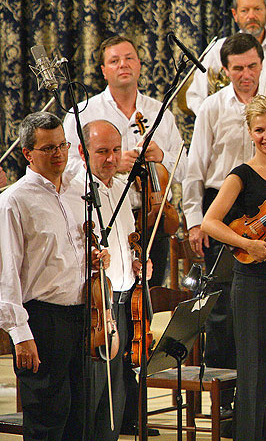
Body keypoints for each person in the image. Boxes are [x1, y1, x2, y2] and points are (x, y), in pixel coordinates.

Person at [183, 32, 266, 416]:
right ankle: (230, 408)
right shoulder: (212, 109)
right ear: (226, 70)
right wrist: (197, 224)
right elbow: (195, 171)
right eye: (238, 68)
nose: (246, 73)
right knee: (225, 322)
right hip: (230, 214)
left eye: (253, 66)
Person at [0, 112, 109, 440]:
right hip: (43, 320)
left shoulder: (82, 193)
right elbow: (6, 272)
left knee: (81, 416)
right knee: (49, 418)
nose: (59, 153)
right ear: (27, 153)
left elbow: (85, 248)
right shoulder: (13, 201)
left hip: (82, 315)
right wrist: (20, 334)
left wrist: (99, 258)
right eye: (48, 148)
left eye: (62, 145)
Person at [200, 96, 266, 441]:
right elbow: (210, 223)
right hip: (252, 280)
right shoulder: (240, 174)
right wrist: (247, 244)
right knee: (254, 368)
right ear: (249, 132)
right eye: (260, 130)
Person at [62, 35, 185, 288]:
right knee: (112, 293)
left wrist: (162, 157)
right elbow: (67, 166)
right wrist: (111, 163)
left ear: (139, 65)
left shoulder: (160, 112)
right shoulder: (83, 112)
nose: (123, 65)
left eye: (129, 58)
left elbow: (184, 168)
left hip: (154, 220)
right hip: (106, 219)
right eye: (115, 60)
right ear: (104, 71)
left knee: (151, 296)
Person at [63, 119, 149, 441]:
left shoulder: (123, 189)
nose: (111, 158)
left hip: (124, 304)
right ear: (84, 153)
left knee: (117, 396)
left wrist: (137, 262)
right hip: (98, 308)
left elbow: (127, 243)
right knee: (93, 397)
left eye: (116, 150)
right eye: (102, 152)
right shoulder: (75, 193)